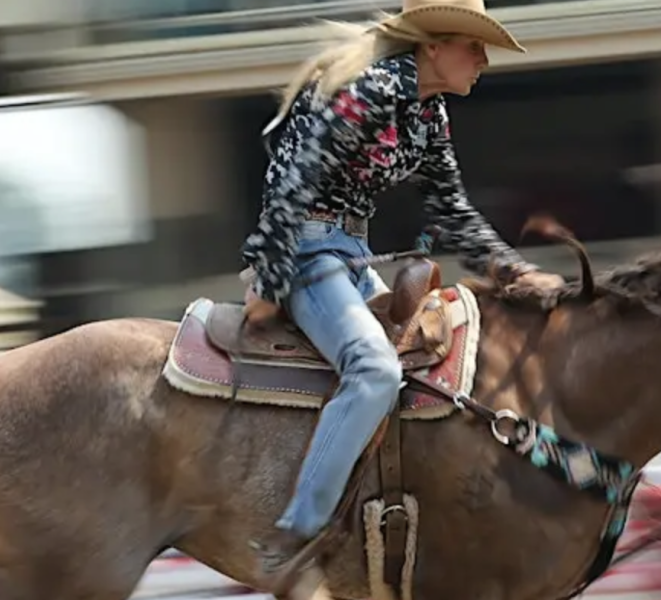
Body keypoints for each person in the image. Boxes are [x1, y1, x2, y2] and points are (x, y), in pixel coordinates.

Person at [237, 0, 565, 593]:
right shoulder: (369, 90)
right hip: (308, 253)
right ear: (433, 46)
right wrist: (271, 277)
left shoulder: (428, 112)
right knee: (374, 371)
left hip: (353, 255)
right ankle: (295, 535)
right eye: (474, 46)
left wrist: (514, 272)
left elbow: (450, 207)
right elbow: (291, 183)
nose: (484, 61)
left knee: (425, 374)